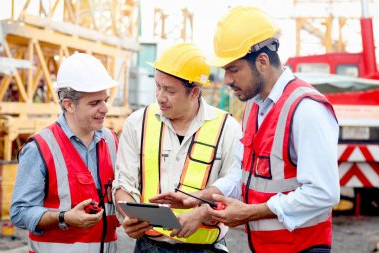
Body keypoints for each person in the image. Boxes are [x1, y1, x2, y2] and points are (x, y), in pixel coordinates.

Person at [205, 6, 340, 253]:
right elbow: (241, 175)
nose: (226, 80)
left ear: (262, 61)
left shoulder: (306, 109)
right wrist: (206, 196)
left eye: (233, 69)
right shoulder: (253, 108)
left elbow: (324, 192)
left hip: (303, 248)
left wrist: (252, 212)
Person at [113, 43, 243, 253]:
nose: (160, 96)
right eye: (158, 86)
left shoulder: (227, 129)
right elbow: (123, 181)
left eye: (170, 91)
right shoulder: (138, 123)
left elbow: (236, 190)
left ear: (194, 92)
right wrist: (129, 214)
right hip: (149, 247)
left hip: (206, 248)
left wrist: (203, 213)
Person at [10, 53, 120, 253]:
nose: (105, 108)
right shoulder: (40, 147)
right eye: (94, 103)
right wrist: (64, 218)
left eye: (105, 99)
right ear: (69, 104)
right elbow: (19, 212)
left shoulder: (111, 141)